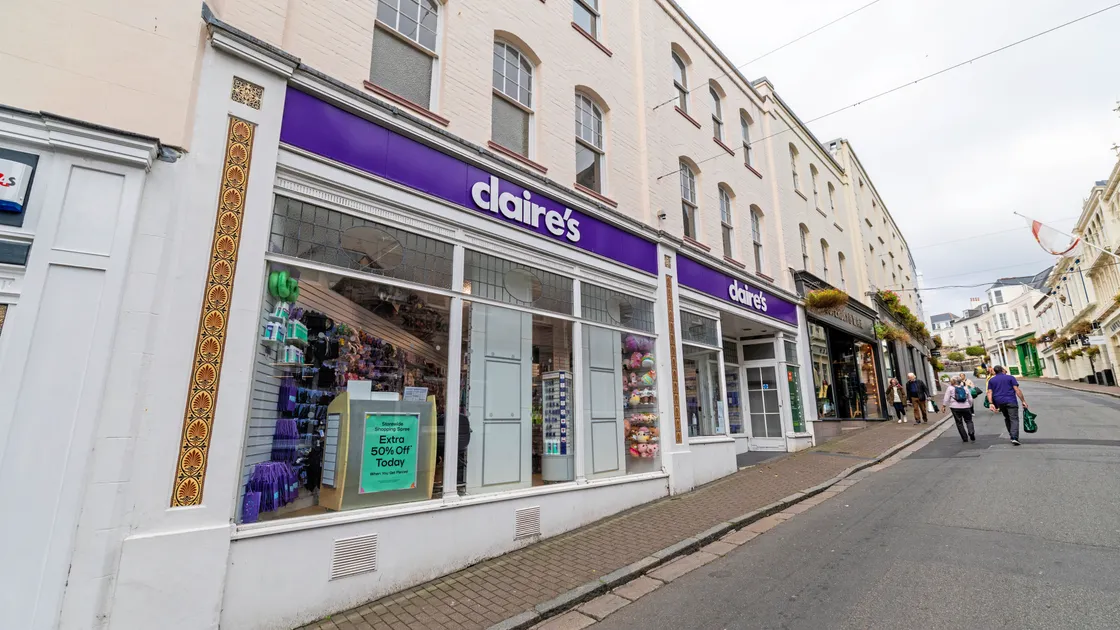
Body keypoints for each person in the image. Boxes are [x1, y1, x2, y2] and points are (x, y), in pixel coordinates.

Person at [987, 365, 1028, 445]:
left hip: (1000, 402)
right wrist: (1023, 401)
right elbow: (1017, 390)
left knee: (1007, 418)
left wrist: (991, 403)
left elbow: (989, 392)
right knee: (1014, 419)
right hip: (1011, 400)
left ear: (995, 371)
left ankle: (1012, 435)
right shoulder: (1010, 378)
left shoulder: (991, 380)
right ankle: (1014, 437)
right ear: (1002, 370)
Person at [943, 376, 976, 442]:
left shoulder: (950, 388)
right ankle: (971, 432)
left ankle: (964, 438)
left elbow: (946, 398)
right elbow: (970, 398)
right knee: (969, 420)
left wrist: (944, 406)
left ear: (953, 381)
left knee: (959, 422)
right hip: (966, 406)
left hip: (955, 407)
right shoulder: (965, 388)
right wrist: (970, 405)